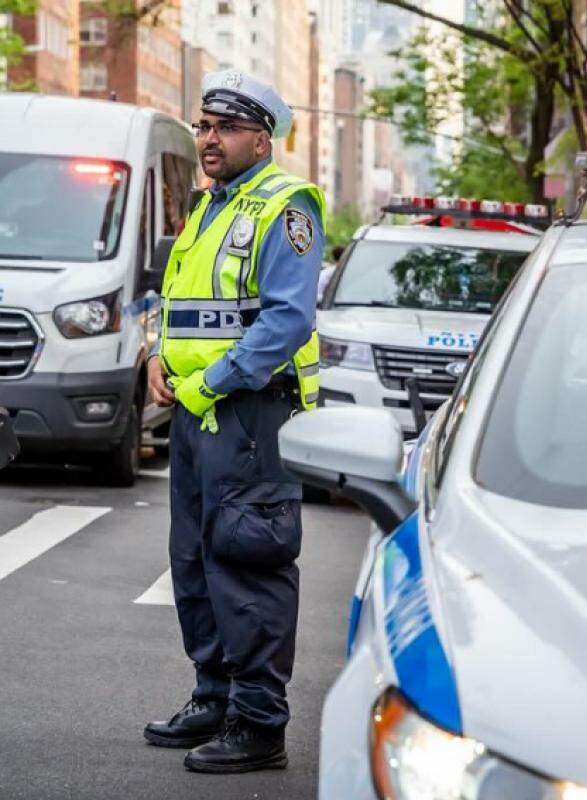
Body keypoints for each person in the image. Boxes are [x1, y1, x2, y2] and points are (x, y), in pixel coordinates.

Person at [142, 69, 326, 774]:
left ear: (261, 136)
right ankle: (214, 695)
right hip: (196, 412)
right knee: (194, 562)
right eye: (204, 125)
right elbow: (186, 304)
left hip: (248, 414)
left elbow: (286, 320)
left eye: (224, 128)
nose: (208, 138)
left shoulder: (285, 207)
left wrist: (209, 385)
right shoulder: (212, 205)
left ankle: (259, 724)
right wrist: (160, 357)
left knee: (248, 562)